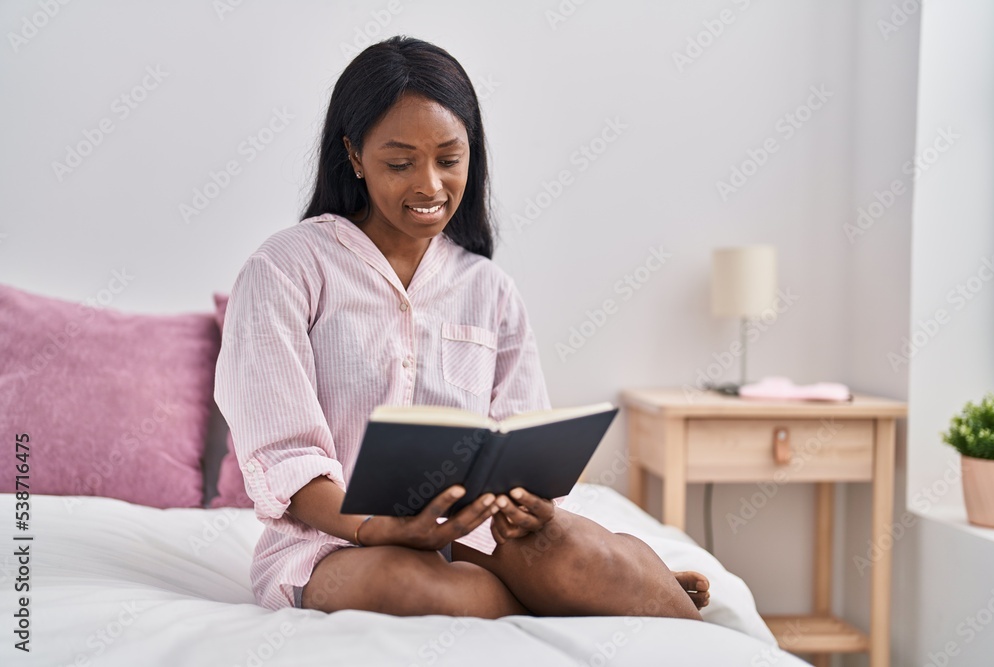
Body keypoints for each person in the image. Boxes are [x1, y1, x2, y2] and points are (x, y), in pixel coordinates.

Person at [214, 35, 709, 619]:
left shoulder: (488, 288)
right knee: (430, 588)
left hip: (477, 534)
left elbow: (522, 443)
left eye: (449, 160)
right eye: (400, 164)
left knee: (583, 557)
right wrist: (378, 528)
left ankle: (603, 580)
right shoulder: (286, 269)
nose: (429, 186)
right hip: (334, 544)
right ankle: (594, 592)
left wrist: (533, 505)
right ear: (353, 156)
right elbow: (286, 461)